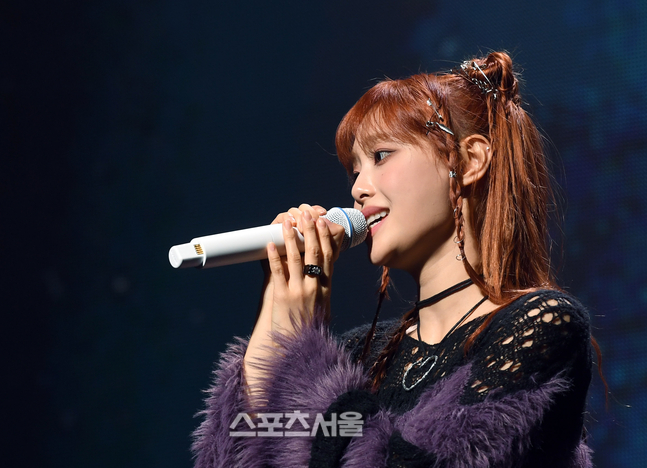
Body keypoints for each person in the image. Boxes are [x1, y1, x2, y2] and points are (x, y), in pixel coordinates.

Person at [191, 51, 596, 467]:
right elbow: (243, 454)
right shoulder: (361, 354)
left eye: (381, 156)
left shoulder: (542, 325)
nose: (358, 189)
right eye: (355, 170)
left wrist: (305, 354)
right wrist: (278, 318)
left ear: (469, 161)